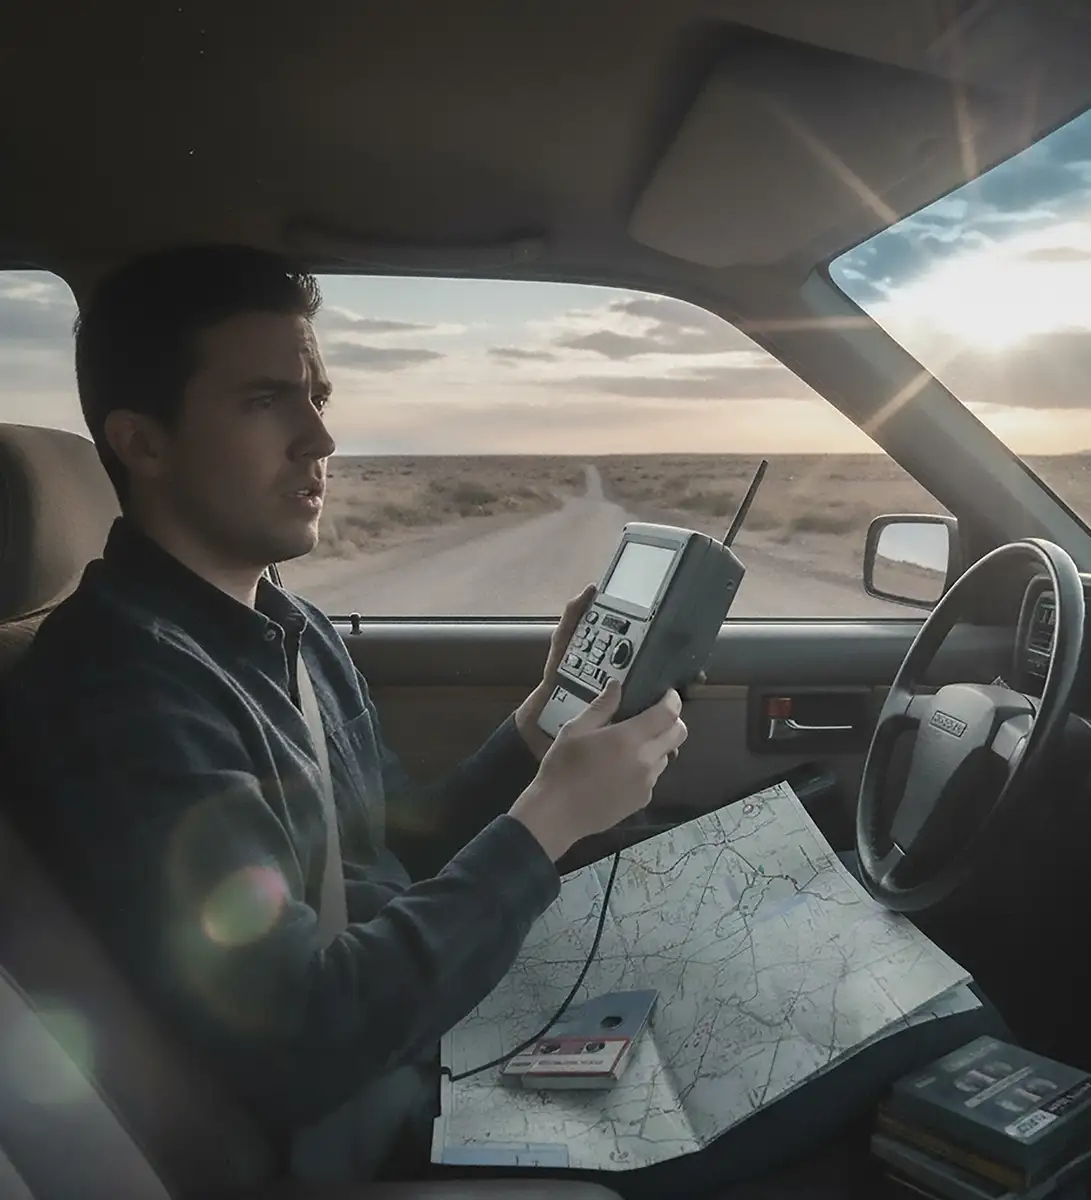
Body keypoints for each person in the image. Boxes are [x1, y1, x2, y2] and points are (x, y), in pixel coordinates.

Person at [4, 244, 1004, 1199]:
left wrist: (534, 731)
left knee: (826, 917)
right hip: (383, 1107)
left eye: (317, 395)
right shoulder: (123, 692)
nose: (320, 438)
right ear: (142, 441)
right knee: (944, 1025)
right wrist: (549, 820)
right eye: (266, 401)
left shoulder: (282, 627)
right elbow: (302, 1040)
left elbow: (397, 848)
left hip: (425, 1026)